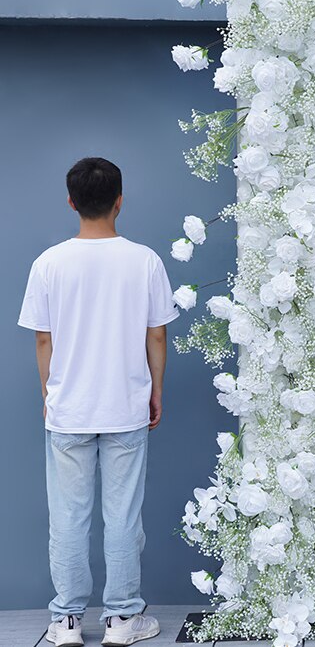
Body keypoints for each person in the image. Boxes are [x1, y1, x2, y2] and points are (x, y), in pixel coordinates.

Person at [18, 157, 179, 647]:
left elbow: (43, 342)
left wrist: (51, 394)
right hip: (126, 403)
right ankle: (123, 619)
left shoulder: (48, 263)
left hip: (69, 409)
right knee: (122, 516)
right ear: (120, 200)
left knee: (67, 516)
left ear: (71, 202)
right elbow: (157, 335)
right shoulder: (145, 260)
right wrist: (155, 391)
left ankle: (65, 622)